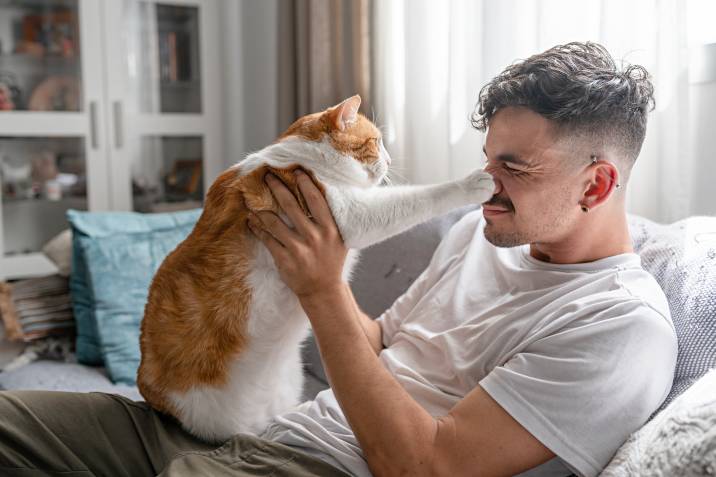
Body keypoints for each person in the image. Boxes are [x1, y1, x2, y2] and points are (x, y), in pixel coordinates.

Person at [0, 42, 676, 477]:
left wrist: (322, 287)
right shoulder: (482, 233)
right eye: (486, 158)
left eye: (513, 166)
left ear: (597, 184)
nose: (486, 183)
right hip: (251, 429)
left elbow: (421, 465)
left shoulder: (619, 325)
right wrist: (305, 248)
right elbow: (380, 341)